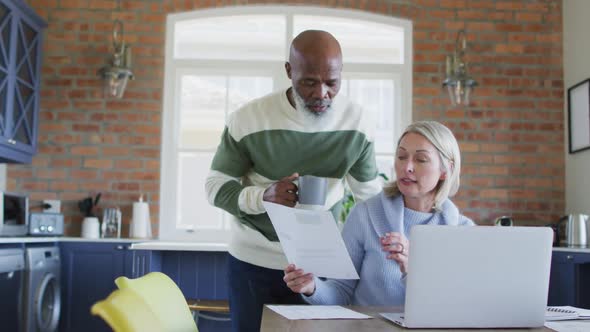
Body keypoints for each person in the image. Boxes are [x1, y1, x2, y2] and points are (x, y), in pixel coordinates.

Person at [205, 30, 382, 332]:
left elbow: (370, 196)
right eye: (309, 82)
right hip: (254, 263)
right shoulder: (248, 119)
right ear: (289, 71)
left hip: (321, 268)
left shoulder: (358, 122)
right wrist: (263, 196)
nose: (321, 93)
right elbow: (215, 187)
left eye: (332, 83)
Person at [283, 120, 475, 306]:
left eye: (421, 159)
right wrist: (312, 287)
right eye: (401, 157)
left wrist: (413, 268)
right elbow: (341, 291)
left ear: (446, 169)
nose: (407, 167)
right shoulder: (365, 214)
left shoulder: (462, 230)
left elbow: (454, 305)